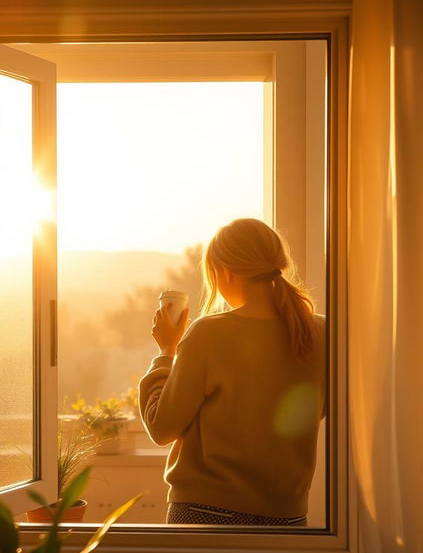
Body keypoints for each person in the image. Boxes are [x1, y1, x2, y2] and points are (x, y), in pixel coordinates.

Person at [138, 218, 325, 526]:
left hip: (206, 513)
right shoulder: (321, 331)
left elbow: (161, 428)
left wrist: (166, 352)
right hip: (288, 520)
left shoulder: (209, 333)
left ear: (226, 272)